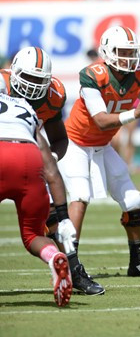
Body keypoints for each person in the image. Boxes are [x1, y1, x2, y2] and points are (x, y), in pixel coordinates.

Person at [58, 26, 140, 294]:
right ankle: (71, 267)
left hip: (101, 144)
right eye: (122, 52)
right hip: (74, 143)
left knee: (134, 200)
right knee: (80, 196)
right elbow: (100, 119)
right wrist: (135, 113)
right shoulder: (93, 75)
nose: (127, 58)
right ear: (107, 51)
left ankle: (137, 262)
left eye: (131, 53)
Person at [0, 47, 103, 295]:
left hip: (30, 156)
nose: (33, 86)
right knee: (38, 229)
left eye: (39, 81)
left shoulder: (54, 94)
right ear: (13, 73)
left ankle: (74, 271)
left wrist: (46, 161)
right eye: (29, 78)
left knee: (54, 221)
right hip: (26, 154)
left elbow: (59, 139)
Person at [0, 91, 74, 307]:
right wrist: (64, 216)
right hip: (29, 156)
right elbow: (51, 169)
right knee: (32, 235)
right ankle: (53, 256)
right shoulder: (25, 108)